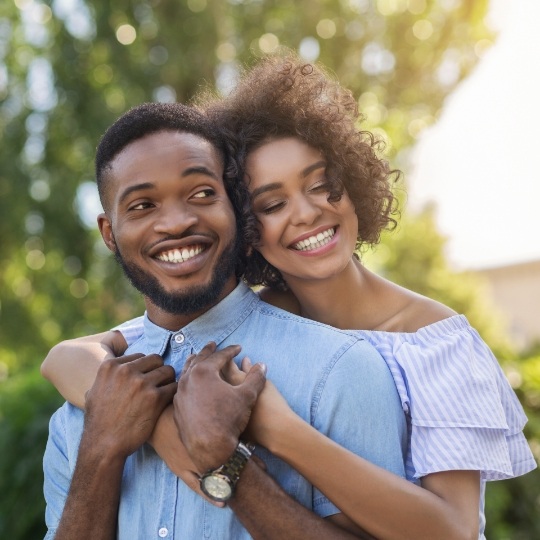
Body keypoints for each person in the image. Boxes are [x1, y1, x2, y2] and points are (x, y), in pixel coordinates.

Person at [42, 56, 537, 539]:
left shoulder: (428, 343)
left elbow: (453, 532)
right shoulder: (257, 320)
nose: (306, 214)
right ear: (247, 226)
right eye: (273, 204)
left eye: (323, 184)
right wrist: (146, 419)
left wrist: (272, 433)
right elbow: (84, 354)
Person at [42, 101, 408, 539]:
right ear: (109, 234)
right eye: (142, 205)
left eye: (201, 194)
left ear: (236, 208)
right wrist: (101, 448)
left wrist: (230, 464)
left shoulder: (341, 371)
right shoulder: (77, 414)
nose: (177, 223)